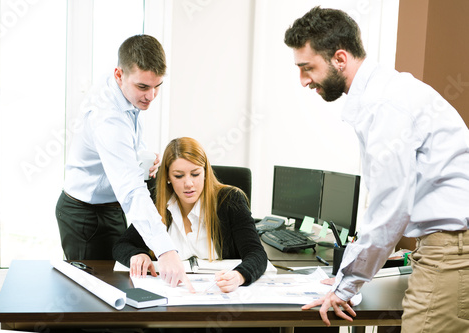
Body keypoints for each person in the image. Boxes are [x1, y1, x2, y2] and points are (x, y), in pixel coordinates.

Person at [284, 6, 469, 332]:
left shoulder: (385, 105)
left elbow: (388, 209)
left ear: (340, 58)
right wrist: (346, 277)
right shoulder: (386, 92)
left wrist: (346, 286)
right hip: (444, 247)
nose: (303, 80)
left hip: (450, 251)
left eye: (307, 68)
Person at [56, 34, 192, 291]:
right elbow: (130, 189)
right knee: (92, 297)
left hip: (110, 206)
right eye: (143, 87)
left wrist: (140, 157)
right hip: (86, 216)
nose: (151, 96)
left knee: (118, 286)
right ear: (119, 75)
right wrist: (166, 251)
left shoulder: (120, 90)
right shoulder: (108, 118)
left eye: (157, 86)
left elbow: (123, 143)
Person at [113, 137, 268, 293]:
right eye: (179, 176)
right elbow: (122, 245)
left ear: (206, 172)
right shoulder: (157, 201)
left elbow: (256, 253)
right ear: (167, 177)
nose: (188, 184)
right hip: (170, 294)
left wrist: (239, 275)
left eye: (195, 174)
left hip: (219, 294)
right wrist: (137, 255)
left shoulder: (230, 200)